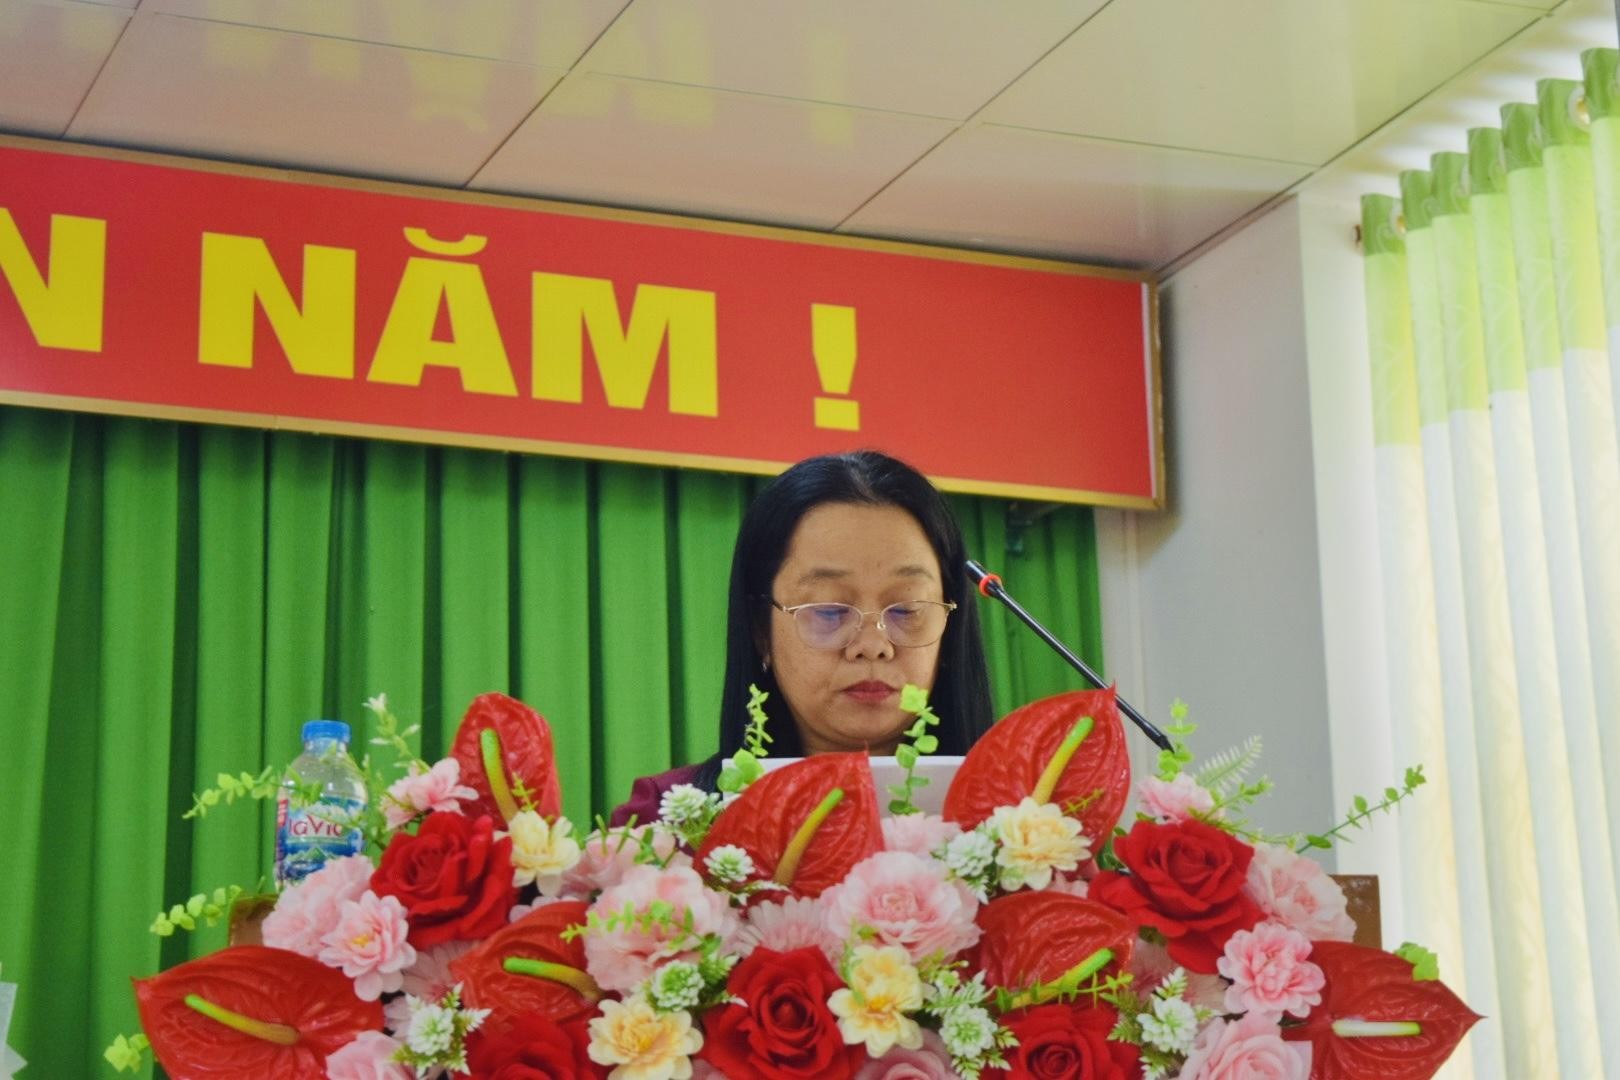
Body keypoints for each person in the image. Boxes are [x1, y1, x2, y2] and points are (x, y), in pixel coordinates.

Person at [610, 449, 994, 826]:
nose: (873, 645)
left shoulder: (1018, 822)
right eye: (829, 611)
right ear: (761, 629)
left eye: (907, 609)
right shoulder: (667, 827)